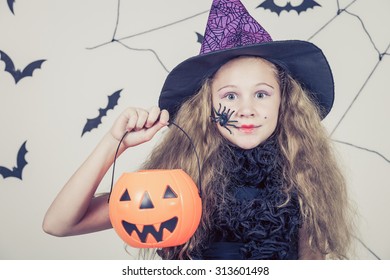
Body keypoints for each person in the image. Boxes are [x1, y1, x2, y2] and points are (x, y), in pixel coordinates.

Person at [43, 0, 354, 259]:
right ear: (207, 107)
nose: (246, 109)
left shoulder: (303, 177)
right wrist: (115, 142)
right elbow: (59, 224)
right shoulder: (180, 178)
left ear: (283, 102)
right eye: (230, 96)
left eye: (261, 94)